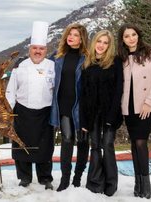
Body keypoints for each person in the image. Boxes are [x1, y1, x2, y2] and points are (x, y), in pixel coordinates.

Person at [5, 21, 55, 190]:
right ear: (30, 49)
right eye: (35, 48)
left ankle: (45, 178)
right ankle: (24, 177)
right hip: (22, 112)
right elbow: (11, 91)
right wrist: (8, 112)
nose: (38, 51)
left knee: (45, 147)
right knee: (21, 146)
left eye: (41, 48)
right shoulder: (20, 66)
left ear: (45, 50)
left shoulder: (52, 67)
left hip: (45, 113)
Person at [80, 30, 123, 196]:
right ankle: (95, 183)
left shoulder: (115, 62)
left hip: (110, 112)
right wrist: (84, 121)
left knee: (108, 145)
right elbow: (83, 94)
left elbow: (119, 90)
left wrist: (112, 116)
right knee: (95, 146)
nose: (101, 45)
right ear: (94, 42)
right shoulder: (87, 64)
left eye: (105, 42)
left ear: (109, 45)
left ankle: (111, 185)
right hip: (92, 115)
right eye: (99, 41)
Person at [49, 23, 89, 192]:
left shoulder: (88, 58)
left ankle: (77, 178)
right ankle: (65, 179)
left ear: (82, 39)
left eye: (76, 35)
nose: (71, 37)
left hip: (82, 107)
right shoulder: (57, 57)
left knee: (83, 142)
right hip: (64, 106)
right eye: (69, 34)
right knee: (67, 140)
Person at [118, 23, 151, 199]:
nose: (131, 38)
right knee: (134, 143)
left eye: (133, 34)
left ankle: (146, 187)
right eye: (126, 36)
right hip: (128, 107)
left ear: (138, 35)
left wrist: (149, 102)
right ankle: (138, 185)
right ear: (122, 39)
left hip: (145, 107)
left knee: (140, 142)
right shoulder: (122, 58)